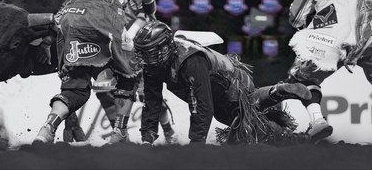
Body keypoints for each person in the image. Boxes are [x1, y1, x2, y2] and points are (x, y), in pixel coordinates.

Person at [33, 0, 157, 144]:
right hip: (104, 17)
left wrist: (47, 37)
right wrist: (150, 11)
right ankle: (118, 133)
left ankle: (46, 130)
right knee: (131, 73)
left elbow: (72, 0)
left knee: (75, 84)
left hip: (70, 19)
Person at [132, 20, 312, 145]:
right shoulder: (153, 65)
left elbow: (202, 105)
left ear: (165, 47)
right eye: (143, 54)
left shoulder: (190, 60)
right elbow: (152, 103)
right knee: (245, 124)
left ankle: (277, 95)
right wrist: (147, 139)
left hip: (231, 82)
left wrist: (196, 143)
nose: (145, 59)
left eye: (150, 53)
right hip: (216, 89)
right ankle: (277, 97)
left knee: (245, 121)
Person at [286, 0, 372, 144]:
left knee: (302, 77)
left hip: (329, 35)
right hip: (369, 33)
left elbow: (296, 17)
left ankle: (317, 121)